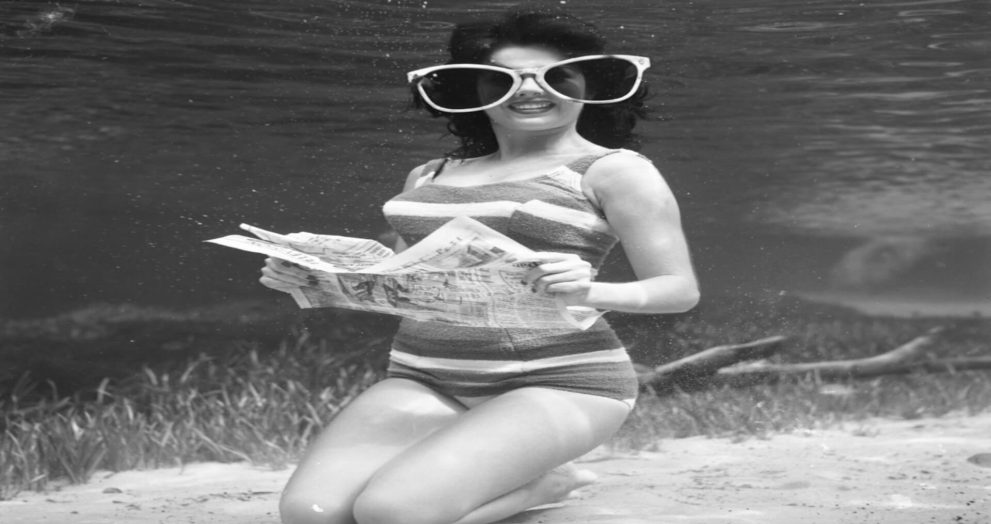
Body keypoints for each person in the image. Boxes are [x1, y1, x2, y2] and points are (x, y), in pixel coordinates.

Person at [260, 6, 699, 524]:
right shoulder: (428, 174)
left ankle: (543, 485)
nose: (531, 90)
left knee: (393, 512)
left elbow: (679, 289)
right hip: (424, 376)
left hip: (563, 383)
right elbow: (406, 278)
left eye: (556, 77)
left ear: (587, 86)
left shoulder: (615, 171)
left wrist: (591, 290)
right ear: (475, 90)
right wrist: (319, 278)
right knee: (310, 514)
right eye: (505, 79)